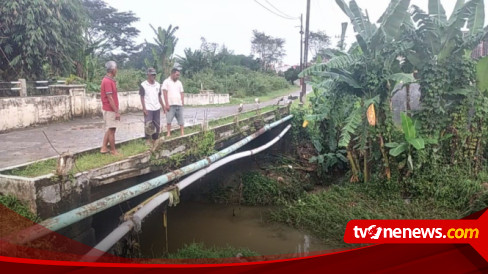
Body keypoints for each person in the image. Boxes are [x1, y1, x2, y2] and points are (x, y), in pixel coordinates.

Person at [140, 68, 166, 146]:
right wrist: (144, 108)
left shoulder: (158, 85)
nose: (153, 76)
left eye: (154, 74)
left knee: (157, 124)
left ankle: (155, 139)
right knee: (148, 124)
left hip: (156, 108)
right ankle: (147, 140)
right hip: (148, 108)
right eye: (151, 74)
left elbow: (159, 97)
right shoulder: (143, 85)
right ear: (148, 75)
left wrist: (163, 106)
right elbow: (142, 97)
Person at [100, 61, 121, 156]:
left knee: (109, 129)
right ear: (112, 70)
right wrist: (116, 111)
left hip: (109, 108)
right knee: (112, 130)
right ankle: (113, 150)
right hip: (110, 109)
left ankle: (104, 147)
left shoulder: (109, 80)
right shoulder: (107, 81)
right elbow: (110, 97)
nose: (117, 70)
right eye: (116, 68)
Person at [162, 68, 185, 137]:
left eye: (178, 75)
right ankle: (168, 133)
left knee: (181, 120)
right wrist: (166, 104)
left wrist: (182, 102)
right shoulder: (166, 82)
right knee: (169, 120)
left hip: (179, 104)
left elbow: (182, 92)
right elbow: (164, 92)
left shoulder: (179, 83)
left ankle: (182, 132)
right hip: (170, 105)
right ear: (172, 74)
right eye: (177, 75)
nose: (178, 76)